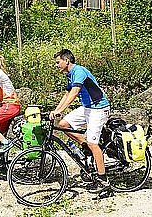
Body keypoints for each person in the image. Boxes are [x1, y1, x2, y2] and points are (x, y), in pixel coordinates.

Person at [50, 48, 111, 194]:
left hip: (99, 108)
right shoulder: (70, 75)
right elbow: (66, 95)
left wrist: (60, 110)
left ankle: (103, 180)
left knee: (93, 143)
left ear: (67, 60)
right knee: (64, 125)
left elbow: (74, 93)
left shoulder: (79, 71)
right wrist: (56, 110)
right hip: (87, 107)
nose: (56, 65)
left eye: (58, 62)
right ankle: (87, 147)